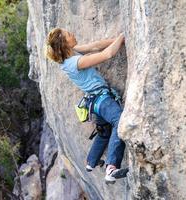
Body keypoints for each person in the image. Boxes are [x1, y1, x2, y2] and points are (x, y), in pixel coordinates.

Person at [45, 28, 128, 184]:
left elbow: (96, 46)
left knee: (104, 133)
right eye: (69, 34)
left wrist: (119, 40)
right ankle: (111, 168)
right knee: (120, 121)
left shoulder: (71, 53)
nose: (73, 34)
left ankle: (91, 161)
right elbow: (106, 54)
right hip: (102, 101)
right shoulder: (74, 62)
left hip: (94, 103)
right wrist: (124, 35)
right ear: (64, 43)